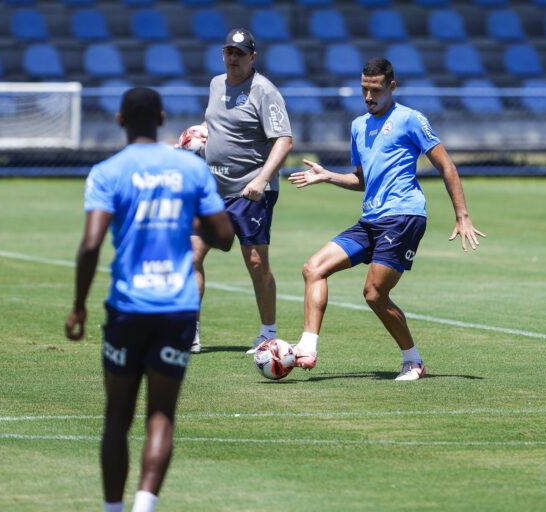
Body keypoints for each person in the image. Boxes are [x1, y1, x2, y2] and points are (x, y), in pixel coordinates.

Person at [64, 87, 233, 512]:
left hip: (128, 306)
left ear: (120, 120)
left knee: (117, 417)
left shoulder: (107, 172)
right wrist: (187, 216)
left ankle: (112, 509)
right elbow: (225, 237)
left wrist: (79, 305)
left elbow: (89, 246)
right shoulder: (189, 170)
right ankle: (144, 506)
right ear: (161, 118)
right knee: (161, 414)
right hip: (177, 306)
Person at [287, 58, 485, 381]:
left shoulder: (410, 120)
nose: (368, 96)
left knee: (374, 294)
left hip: (404, 217)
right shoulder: (358, 126)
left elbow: (446, 166)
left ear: (391, 87)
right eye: (364, 89)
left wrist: (462, 215)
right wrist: (328, 177)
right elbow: (363, 181)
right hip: (371, 219)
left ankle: (413, 361)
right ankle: (307, 348)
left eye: (375, 90)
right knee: (313, 268)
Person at [191, 28, 293, 354]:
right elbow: (219, 126)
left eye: (239, 53)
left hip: (250, 191)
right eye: (228, 52)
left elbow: (284, 140)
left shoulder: (265, 91)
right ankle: (188, 332)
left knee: (255, 262)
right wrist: (199, 135)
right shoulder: (215, 84)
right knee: (190, 256)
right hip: (213, 191)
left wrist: (262, 180)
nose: (233, 58)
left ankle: (268, 333)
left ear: (253, 57)